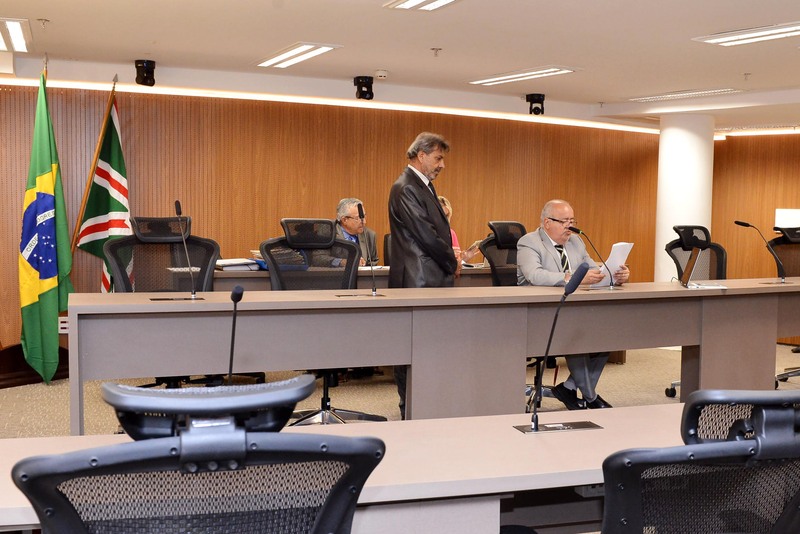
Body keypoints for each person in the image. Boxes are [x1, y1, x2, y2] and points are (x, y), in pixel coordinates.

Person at [516, 199, 630, 410]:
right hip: (542, 313)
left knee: (606, 335)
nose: (570, 226)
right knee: (576, 336)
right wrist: (572, 278)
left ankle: (569, 388)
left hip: (574, 310)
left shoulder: (576, 242)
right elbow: (534, 275)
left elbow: (594, 269)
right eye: (564, 221)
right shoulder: (529, 242)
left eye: (572, 221)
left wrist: (615, 275)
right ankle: (591, 397)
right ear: (547, 222)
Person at [388, 132, 459, 418]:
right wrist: (452, 260)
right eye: (438, 158)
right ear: (421, 155)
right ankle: (410, 408)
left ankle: (426, 404)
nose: (442, 165)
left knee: (430, 348)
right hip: (418, 280)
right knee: (413, 349)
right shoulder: (406, 187)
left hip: (428, 277)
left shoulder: (422, 186)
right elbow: (427, 236)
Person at [313, 198, 379, 267]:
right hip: (336, 273)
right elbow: (318, 259)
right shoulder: (327, 231)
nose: (364, 222)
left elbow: (373, 262)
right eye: (358, 218)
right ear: (344, 220)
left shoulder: (369, 235)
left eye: (364, 216)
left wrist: (364, 263)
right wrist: (342, 262)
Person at [438, 195, 479, 263]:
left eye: (446, 216)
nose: (444, 219)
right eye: (441, 215)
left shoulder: (451, 233)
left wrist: (464, 259)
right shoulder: (427, 233)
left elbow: (455, 265)